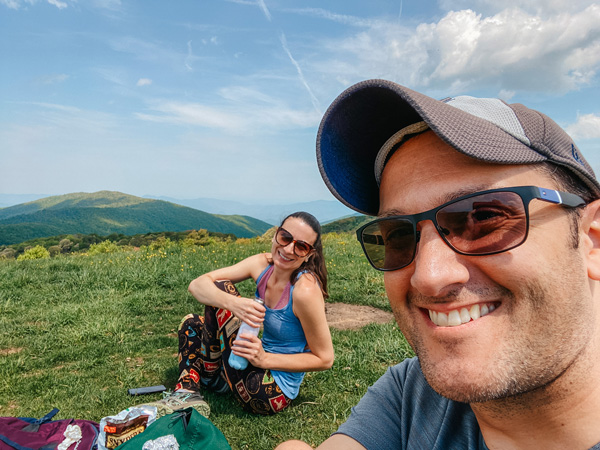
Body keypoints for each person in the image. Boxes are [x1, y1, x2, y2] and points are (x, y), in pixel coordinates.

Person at [276, 80, 600, 449]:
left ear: (591, 239)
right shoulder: (411, 395)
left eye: (485, 217)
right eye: (397, 234)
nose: (428, 276)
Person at [143, 211, 334, 417]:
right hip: (247, 365)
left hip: (270, 391)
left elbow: (324, 359)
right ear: (276, 234)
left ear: (309, 254)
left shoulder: (304, 290)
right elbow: (197, 285)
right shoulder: (262, 264)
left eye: (301, 246)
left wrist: (264, 359)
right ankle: (189, 390)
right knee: (192, 323)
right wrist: (235, 304)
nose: (288, 249)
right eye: (285, 237)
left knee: (221, 290)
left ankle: (207, 378)